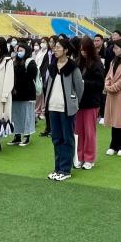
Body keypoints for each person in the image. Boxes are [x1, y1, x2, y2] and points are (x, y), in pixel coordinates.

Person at [44, 38, 83, 181]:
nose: (55, 49)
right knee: (56, 139)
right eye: (55, 47)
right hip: (52, 106)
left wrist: (73, 102)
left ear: (66, 50)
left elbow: (79, 88)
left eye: (58, 47)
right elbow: (48, 85)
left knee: (67, 139)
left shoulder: (73, 67)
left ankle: (65, 170)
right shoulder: (52, 66)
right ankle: (58, 168)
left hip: (66, 109)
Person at [76, 37, 105, 170]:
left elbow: (100, 84)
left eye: (85, 50)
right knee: (78, 131)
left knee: (89, 132)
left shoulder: (97, 63)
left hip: (91, 102)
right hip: (78, 102)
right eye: (81, 50)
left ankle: (89, 158)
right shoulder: (78, 62)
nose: (83, 52)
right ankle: (80, 156)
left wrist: (84, 83)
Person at [10, 42, 38, 147]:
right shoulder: (15, 62)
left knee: (27, 115)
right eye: (18, 50)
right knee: (16, 115)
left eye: (21, 50)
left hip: (27, 93)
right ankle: (17, 135)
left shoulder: (30, 62)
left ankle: (26, 136)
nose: (19, 52)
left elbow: (31, 77)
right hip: (16, 93)